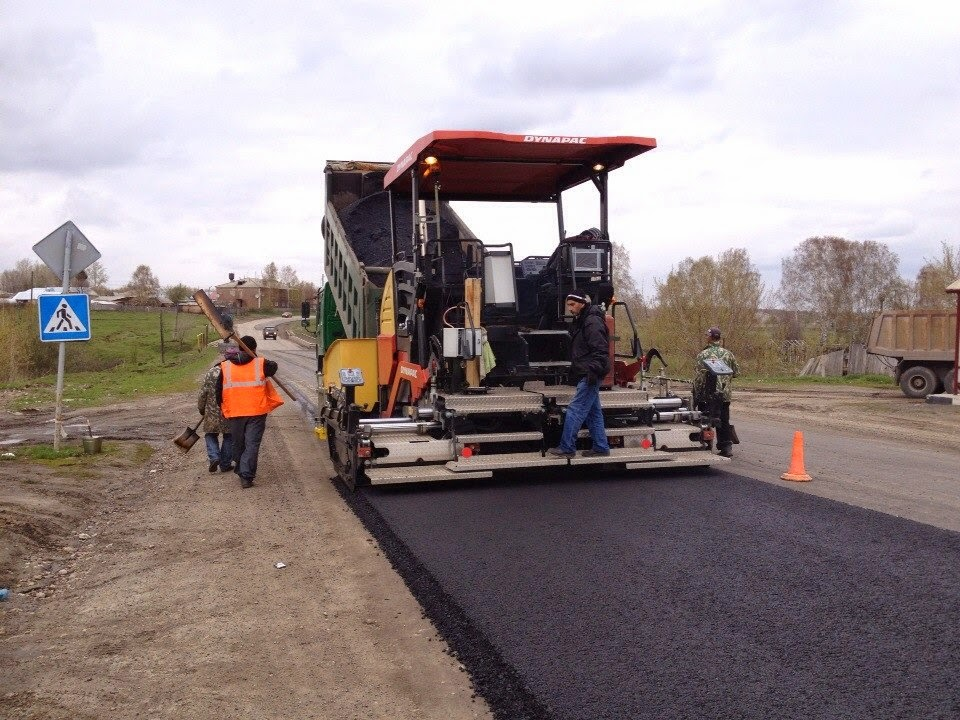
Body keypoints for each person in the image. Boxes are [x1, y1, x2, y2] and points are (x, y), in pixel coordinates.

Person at [548, 292, 611, 458]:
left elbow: (601, 350)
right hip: (588, 371)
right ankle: (601, 447)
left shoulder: (592, 322)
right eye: (568, 305)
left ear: (582, 303)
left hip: (590, 373)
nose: (570, 308)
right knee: (593, 412)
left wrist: (592, 371)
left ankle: (567, 447)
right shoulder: (584, 320)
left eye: (573, 304)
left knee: (575, 410)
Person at [216, 335, 283, 488]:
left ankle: (242, 470)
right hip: (256, 411)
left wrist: (221, 408)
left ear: (239, 348)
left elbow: (218, 390)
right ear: (254, 348)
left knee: (239, 444)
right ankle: (245, 475)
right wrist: (256, 356)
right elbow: (274, 367)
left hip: (235, 412)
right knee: (252, 444)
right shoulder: (261, 364)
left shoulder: (225, 366)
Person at [693, 326, 740, 458]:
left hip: (707, 395)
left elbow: (699, 377)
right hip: (724, 395)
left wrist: (697, 394)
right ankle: (726, 447)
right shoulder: (728, 354)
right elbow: (736, 372)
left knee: (705, 419)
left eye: (706, 335)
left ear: (710, 338)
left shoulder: (703, 355)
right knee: (724, 420)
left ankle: (706, 445)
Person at [197, 345, 235, 473]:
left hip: (211, 412)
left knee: (210, 434)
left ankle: (214, 457)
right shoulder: (235, 372)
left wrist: (202, 409)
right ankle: (225, 464)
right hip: (229, 411)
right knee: (229, 436)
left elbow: (203, 393)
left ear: (224, 357)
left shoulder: (212, 372)